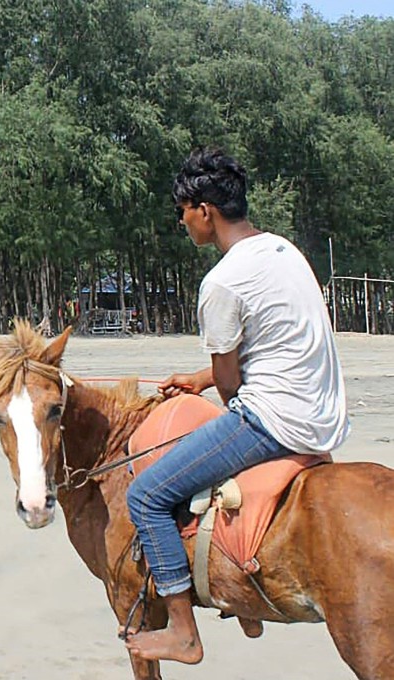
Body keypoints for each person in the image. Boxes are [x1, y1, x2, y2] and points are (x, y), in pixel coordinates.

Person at [124, 149, 348, 664]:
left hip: (274, 419)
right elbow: (267, 347)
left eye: (183, 211)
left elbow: (232, 387)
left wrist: (215, 383)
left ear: (205, 211)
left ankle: (182, 631)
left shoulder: (221, 283)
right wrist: (197, 380)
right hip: (323, 414)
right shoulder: (282, 251)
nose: (182, 222)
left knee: (147, 495)